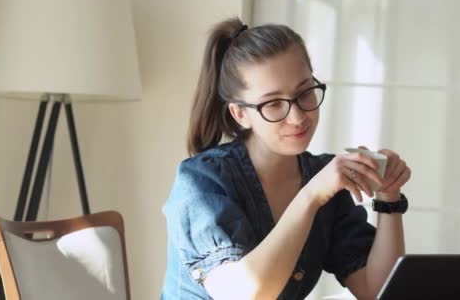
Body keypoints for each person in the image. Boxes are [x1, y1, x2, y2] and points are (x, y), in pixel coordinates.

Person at [161, 18, 411, 300]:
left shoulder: (322, 175)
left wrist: (389, 198)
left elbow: (378, 291)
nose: (298, 117)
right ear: (240, 114)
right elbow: (243, 295)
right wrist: (312, 195)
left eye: (304, 93)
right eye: (273, 103)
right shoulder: (201, 181)